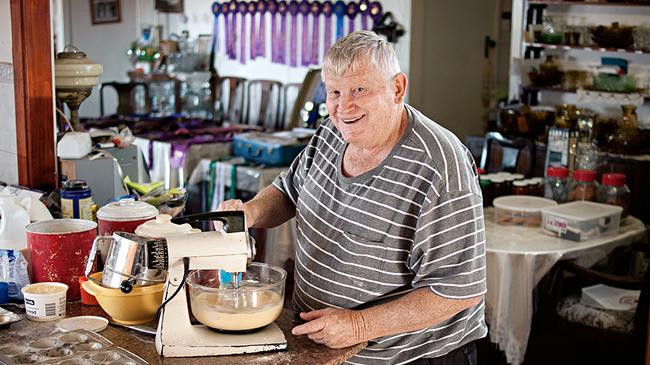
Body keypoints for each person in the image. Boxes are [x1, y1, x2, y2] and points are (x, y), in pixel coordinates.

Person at [218, 30, 487, 365]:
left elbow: (458, 290)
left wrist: (360, 325)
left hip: (411, 359)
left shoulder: (440, 166)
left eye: (359, 89)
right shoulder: (333, 131)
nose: (344, 107)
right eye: (334, 92)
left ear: (397, 88)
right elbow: (289, 191)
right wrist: (250, 213)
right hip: (328, 350)